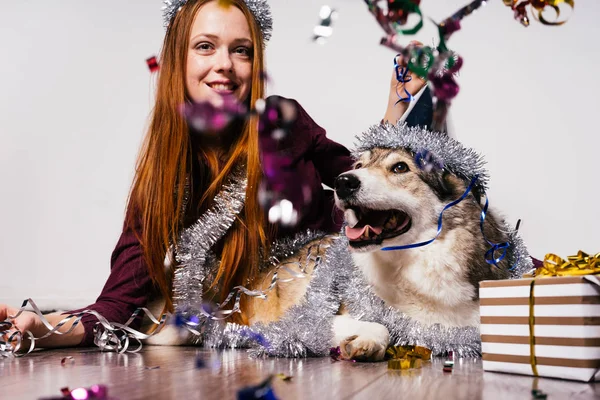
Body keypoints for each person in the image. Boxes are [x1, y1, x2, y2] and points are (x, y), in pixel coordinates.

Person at [0, 0, 427, 350]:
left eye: (241, 50)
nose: (225, 64)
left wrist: (397, 105)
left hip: (356, 282)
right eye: (205, 46)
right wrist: (46, 329)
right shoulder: (163, 176)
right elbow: (117, 301)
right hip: (269, 338)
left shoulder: (284, 119)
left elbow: (359, 182)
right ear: (177, 60)